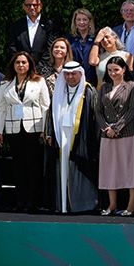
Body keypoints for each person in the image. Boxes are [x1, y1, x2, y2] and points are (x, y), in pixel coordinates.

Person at [0, 51, 48, 212]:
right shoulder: (5, 83)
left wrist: (45, 130)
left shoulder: (39, 81)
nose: (21, 65)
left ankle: (33, 201)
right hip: (13, 129)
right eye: (18, 62)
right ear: (13, 65)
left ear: (30, 64)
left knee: (33, 165)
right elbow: (1, 108)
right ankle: (20, 200)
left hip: (34, 128)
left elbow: (45, 106)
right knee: (18, 166)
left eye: (24, 62)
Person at [91, 55, 134, 216]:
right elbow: (98, 111)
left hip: (126, 133)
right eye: (110, 70)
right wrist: (106, 128)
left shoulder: (132, 86)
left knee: (130, 168)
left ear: (124, 69)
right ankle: (112, 205)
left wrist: (116, 128)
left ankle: (131, 205)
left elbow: (132, 110)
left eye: (116, 70)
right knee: (109, 169)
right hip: (107, 135)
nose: (113, 73)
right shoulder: (104, 87)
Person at [47, 62, 98, 214]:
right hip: (60, 134)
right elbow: (51, 113)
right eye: (67, 74)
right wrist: (50, 132)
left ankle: (82, 204)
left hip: (80, 136)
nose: (70, 77)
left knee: (78, 168)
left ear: (80, 74)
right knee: (61, 169)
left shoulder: (88, 91)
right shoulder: (59, 91)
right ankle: (62, 205)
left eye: (73, 74)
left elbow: (93, 117)